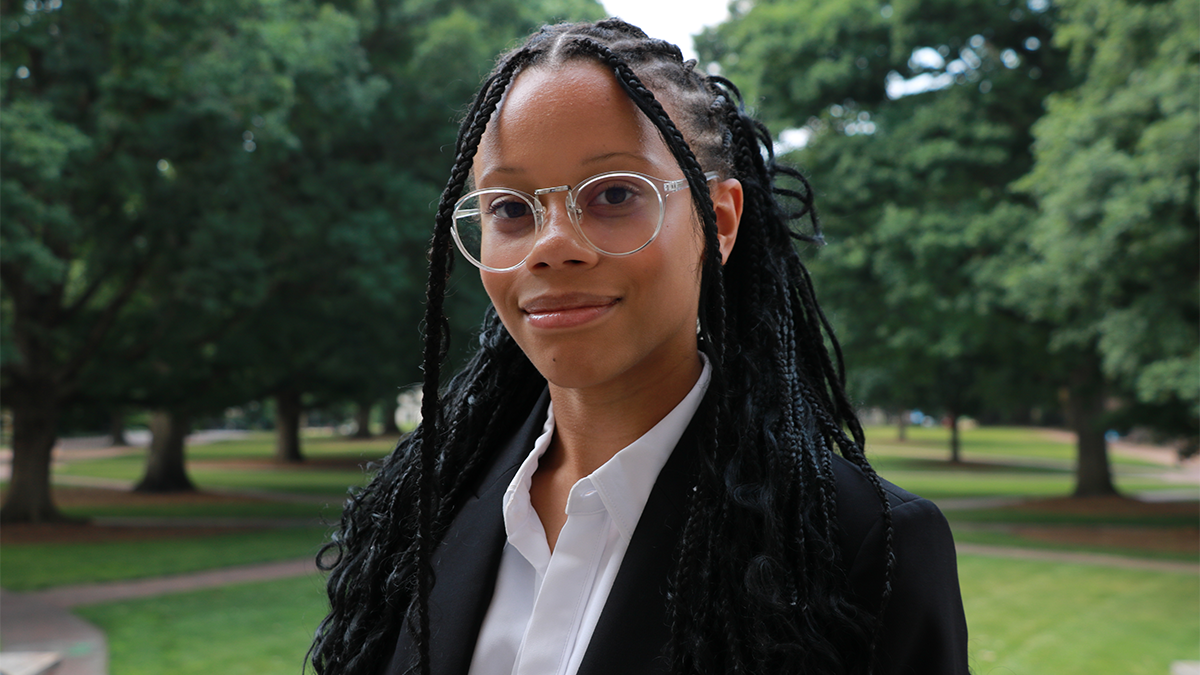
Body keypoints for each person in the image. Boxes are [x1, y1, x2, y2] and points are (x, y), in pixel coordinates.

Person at [309, 18, 969, 675]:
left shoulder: (862, 547)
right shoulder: (426, 509)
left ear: (721, 222)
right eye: (511, 209)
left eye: (614, 194)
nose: (552, 246)